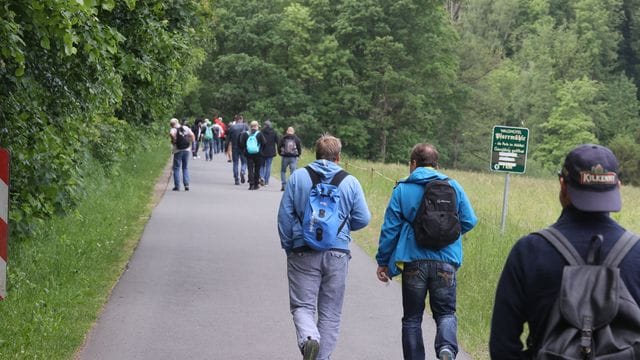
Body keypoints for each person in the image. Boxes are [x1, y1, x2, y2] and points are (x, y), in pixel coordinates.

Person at [489, 144, 640, 359]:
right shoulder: (638, 252)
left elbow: (502, 347)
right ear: (618, 186)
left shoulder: (529, 251)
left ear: (563, 185)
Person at [375, 143, 477, 360]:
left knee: (412, 319)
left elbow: (390, 229)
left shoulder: (402, 188)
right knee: (446, 313)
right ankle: (446, 349)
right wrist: (449, 233)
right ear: (436, 164)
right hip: (446, 261)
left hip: (413, 262)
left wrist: (383, 261)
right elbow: (469, 220)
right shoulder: (453, 186)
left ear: (413, 163)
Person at [277, 134, 371, 360]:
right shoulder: (350, 181)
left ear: (315, 154)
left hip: (302, 250)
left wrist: (289, 246)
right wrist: (342, 229)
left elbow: (284, 217)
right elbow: (363, 218)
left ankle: (309, 338)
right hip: (337, 253)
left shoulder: (298, 177)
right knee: (330, 313)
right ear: (338, 157)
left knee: (302, 306)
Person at [169, 118, 195, 191]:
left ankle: (177, 186)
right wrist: (192, 145)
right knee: (185, 167)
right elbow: (192, 135)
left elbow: (171, 134)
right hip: (187, 149)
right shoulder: (185, 127)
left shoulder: (173, 129)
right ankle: (186, 184)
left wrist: (174, 140)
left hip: (178, 150)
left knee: (176, 168)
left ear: (171, 124)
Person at [238, 120, 266, 190]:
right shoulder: (259, 134)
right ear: (256, 126)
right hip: (258, 154)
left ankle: (251, 184)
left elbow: (241, 143)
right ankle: (256, 184)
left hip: (249, 154)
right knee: (257, 169)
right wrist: (261, 150)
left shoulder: (246, 133)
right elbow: (264, 143)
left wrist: (245, 149)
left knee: (250, 168)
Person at [226, 115, 249, 185]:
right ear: (241, 119)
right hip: (243, 147)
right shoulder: (245, 126)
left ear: (235, 120)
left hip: (235, 147)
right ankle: (242, 171)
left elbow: (228, 139)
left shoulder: (232, 127)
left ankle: (236, 179)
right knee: (244, 162)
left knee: (235, 163)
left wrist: (226, 148)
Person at [278, 126, 302, 191]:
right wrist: (298, 154)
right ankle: (291, 186)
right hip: (293, 157)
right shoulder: (296, 138)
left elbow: (279, 146)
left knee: (283, 171)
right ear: (293, 132)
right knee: (293, 172)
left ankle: (283, 185)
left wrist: (280, 153)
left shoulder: (283, 138)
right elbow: (299, 147)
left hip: (285, 157)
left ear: (287, 131)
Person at [259, 120, 278, 186]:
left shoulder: (261, 132)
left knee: (261, 165)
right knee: (268, 166)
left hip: (262, 151)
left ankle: (261, 177)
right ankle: (266, 181)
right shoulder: (274, 132)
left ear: (264, 125)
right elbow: (277, 141)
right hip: (271, 151)